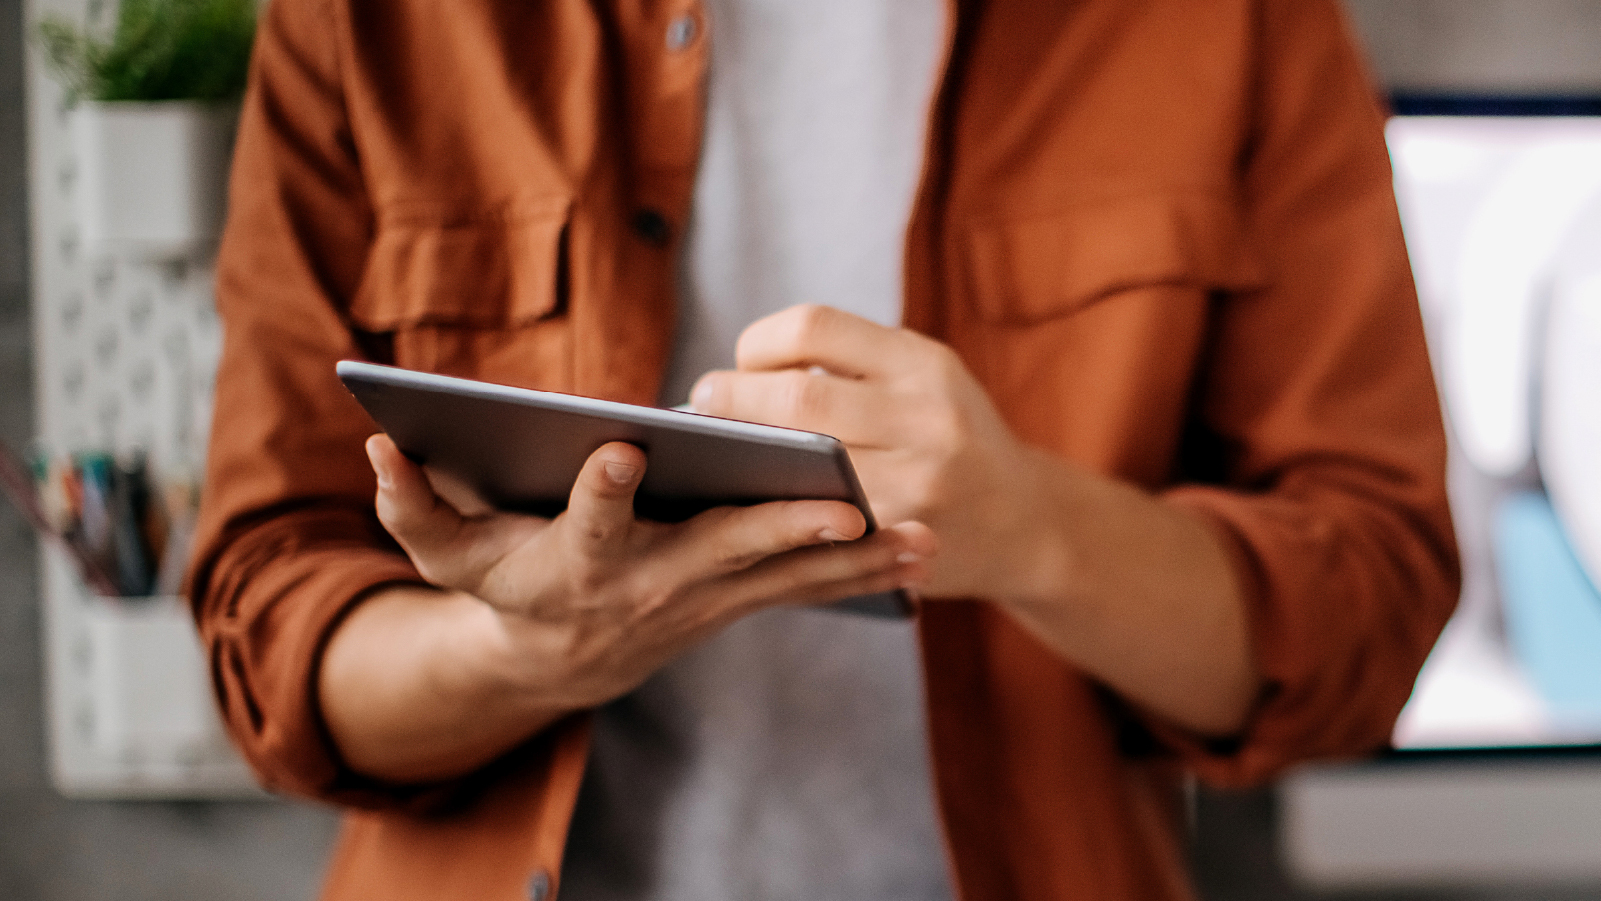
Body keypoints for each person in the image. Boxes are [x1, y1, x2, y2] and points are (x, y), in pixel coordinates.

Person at [188, 0, 1461, 898]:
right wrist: (524, 650)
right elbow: (268, 623)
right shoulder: (373, 18)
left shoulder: (1229, 18)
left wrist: (1037, 531)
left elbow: (1366, 607)